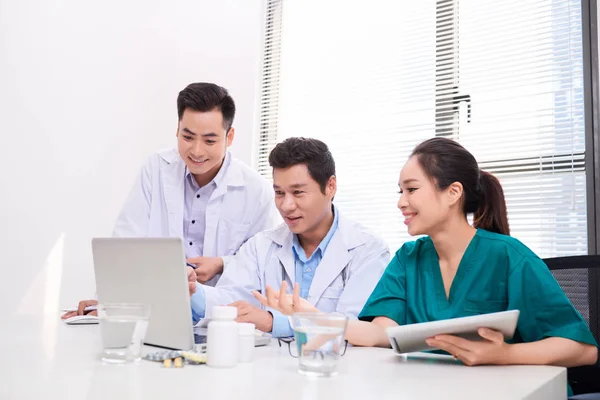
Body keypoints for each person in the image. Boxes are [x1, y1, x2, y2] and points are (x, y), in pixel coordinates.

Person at [256, 137, 598, 368]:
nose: (401, 201)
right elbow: (380, 333)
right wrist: (312, 316)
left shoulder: (509, 257)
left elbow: (583, 350)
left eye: (412, 189)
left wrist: (504, 354)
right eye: (400, 190)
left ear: (453, 193)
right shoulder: (408, 258)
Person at [62, 82, 279, 319]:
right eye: (187, 137)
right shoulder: (156, 168)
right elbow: (126, 244)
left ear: (230, 136)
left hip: (221, 318)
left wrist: (222, 263)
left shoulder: (257, 191)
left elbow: (263, 267)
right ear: (177, 130)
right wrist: (111, 303)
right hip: (154, 311)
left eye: (209, 141)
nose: (196, 151)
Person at [190, 137, 390, 337]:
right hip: (269, 365)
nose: (286, 205)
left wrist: (273, 322)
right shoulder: (261, 246)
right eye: (279, 193)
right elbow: (231, 301)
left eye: (298, 192)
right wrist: (192, 291)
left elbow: (356, 329)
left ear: (330, 186)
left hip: (333, 367)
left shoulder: (368, 250)